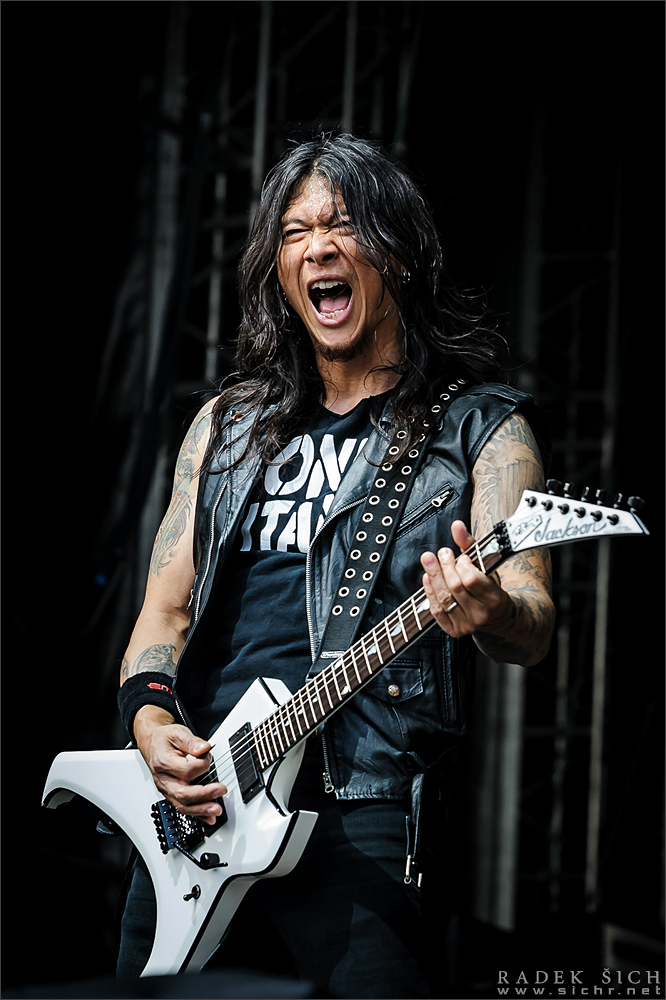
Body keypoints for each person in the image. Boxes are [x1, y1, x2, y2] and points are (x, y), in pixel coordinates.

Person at [116, 133, 555, 998]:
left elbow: (532, 620)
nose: (318, 246)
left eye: (344, 224)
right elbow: (163, 612)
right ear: (278, 271)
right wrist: (152, 725)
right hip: (203, 812)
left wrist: (492, 611)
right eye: (295, 232)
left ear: (398, 252)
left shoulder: (481, 430)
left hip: (366, 813)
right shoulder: (226, 427)